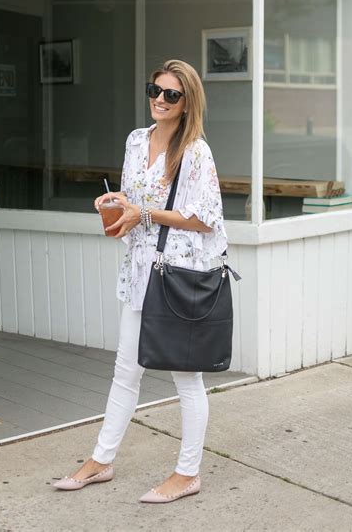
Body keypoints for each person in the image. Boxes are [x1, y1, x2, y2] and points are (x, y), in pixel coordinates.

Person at [53, 59, 228, 503]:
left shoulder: (195, 151)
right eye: (155, 90)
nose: (159, 99)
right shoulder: (136, 141)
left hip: (178, 274)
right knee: (126, 369)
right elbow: (136, 199)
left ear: (187, 103)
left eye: (171, 94)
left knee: (186, 378)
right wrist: (118, 203)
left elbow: (204, 219)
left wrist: (143, 214)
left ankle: (187, 473)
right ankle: (101, 460)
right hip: (139, 270)